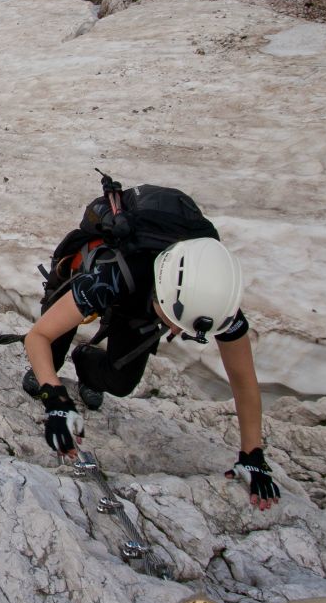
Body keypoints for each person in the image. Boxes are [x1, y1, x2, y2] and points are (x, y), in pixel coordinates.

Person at [23, 181, 281, 511]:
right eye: (173, 321)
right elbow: (38, 337)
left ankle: (86, 365)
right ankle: (58, 368)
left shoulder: (214, 302)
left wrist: (253, 455)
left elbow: (243, 380)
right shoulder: (114, 275)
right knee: (47, 361)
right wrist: (55, 399)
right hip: (116, 283)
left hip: (140, 306)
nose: (175, 331)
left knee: (121, 382)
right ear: (162, 293)